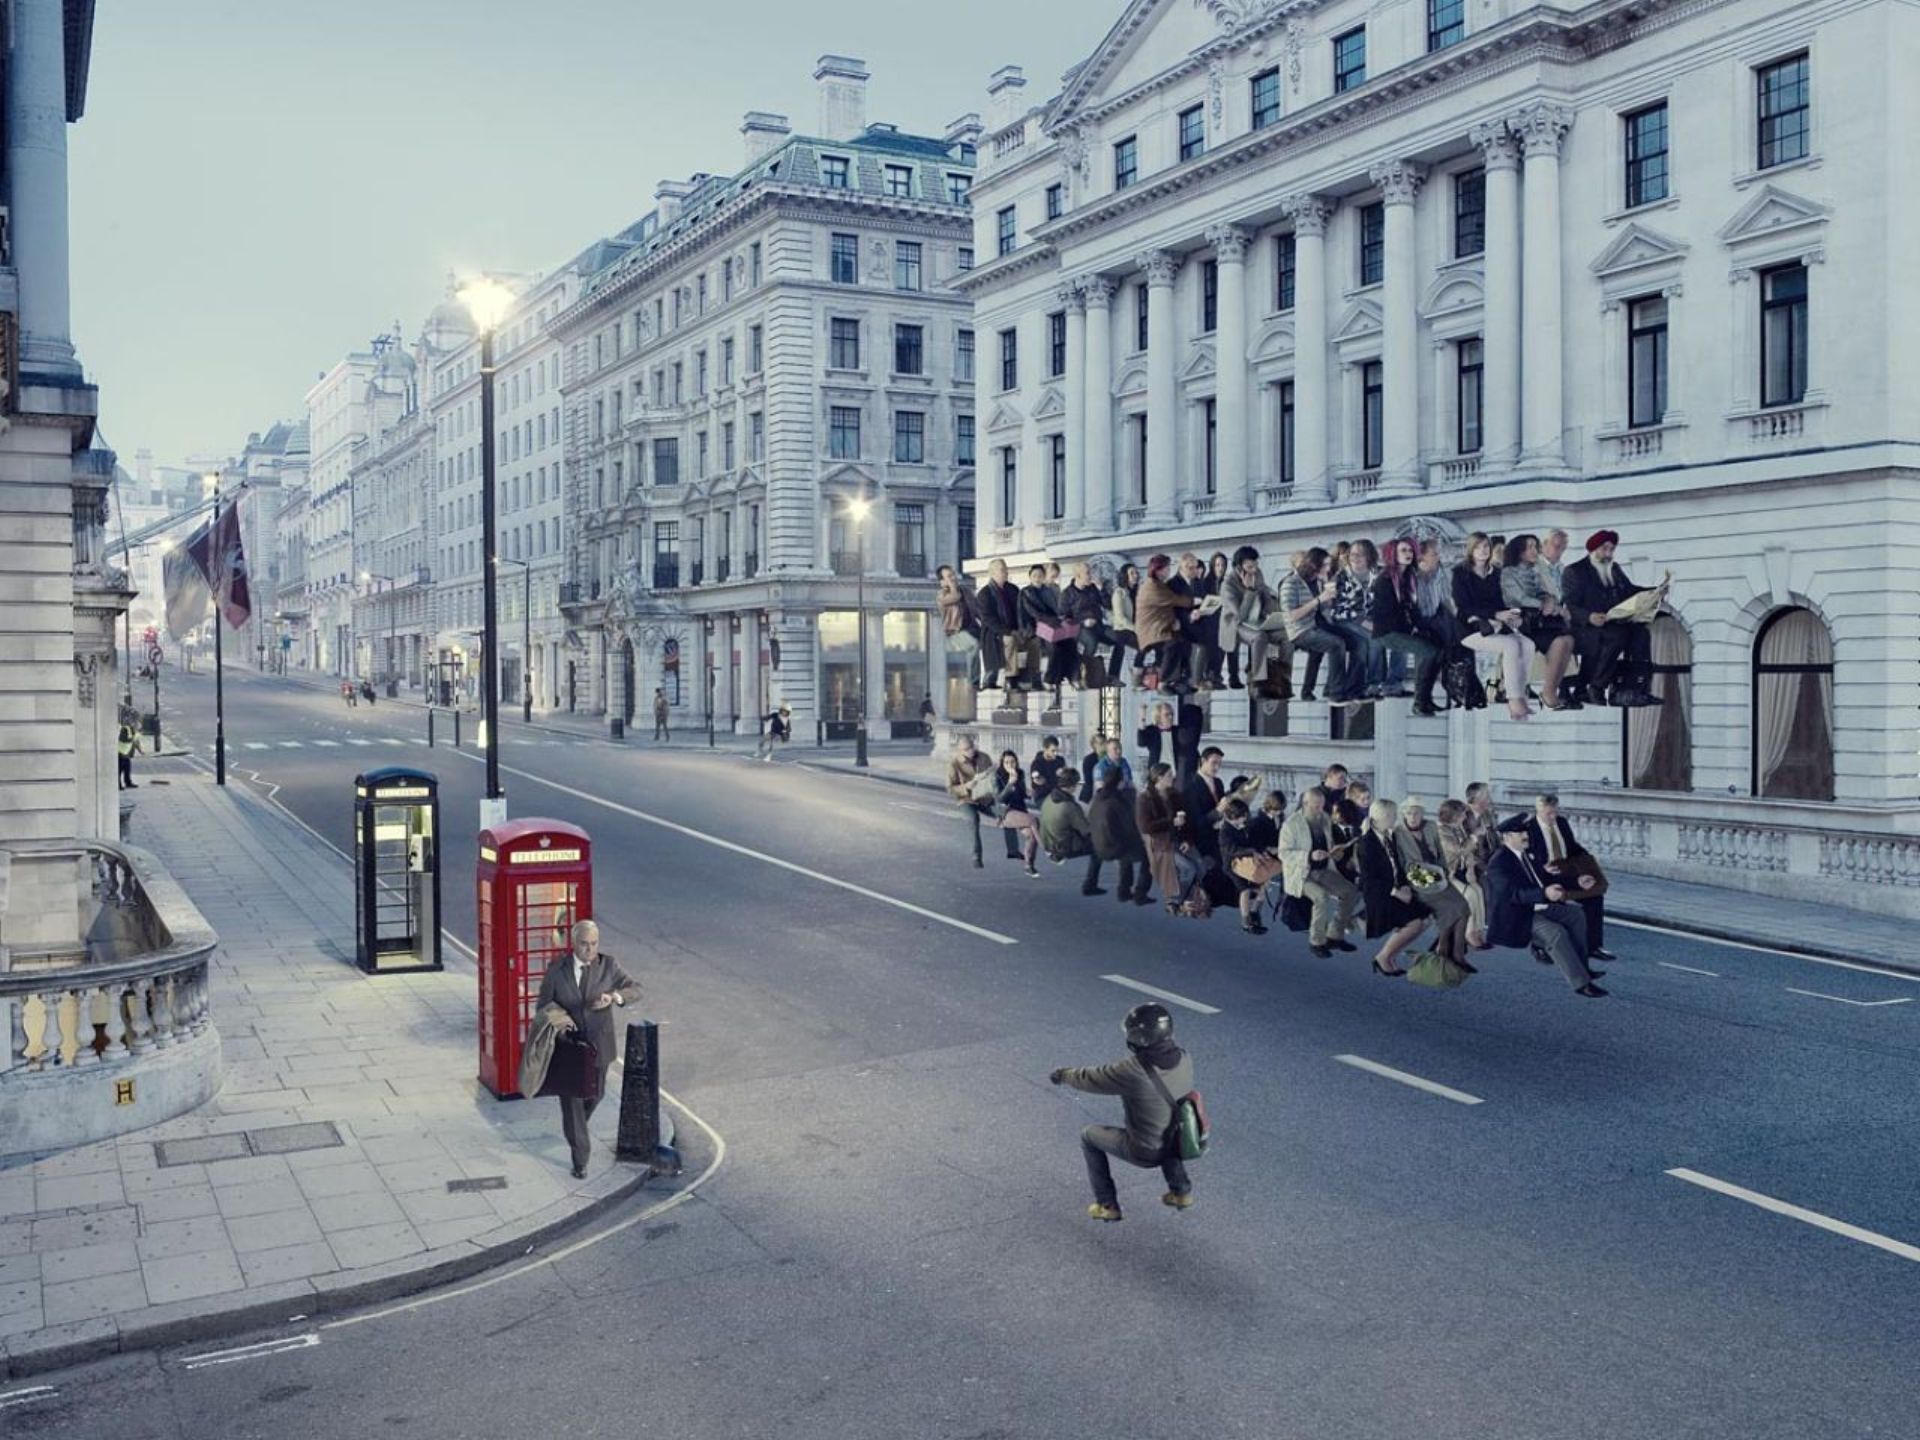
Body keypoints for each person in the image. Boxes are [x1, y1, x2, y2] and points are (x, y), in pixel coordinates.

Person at [1050, 1002, 1195, 1222]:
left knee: (1088, 1136)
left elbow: (1091, 1078)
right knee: (1165, 1123)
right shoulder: (1184, 1057)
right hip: (1177, 1141)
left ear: (1138, 1038)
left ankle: (1107, 1205)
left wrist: (1063, 1074)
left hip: (1144, 1151)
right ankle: (1181, 1191)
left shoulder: (1134, 1070)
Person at [532, 920, 643, 1177]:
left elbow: (636, 988)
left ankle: (576, 1127)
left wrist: (614, 998)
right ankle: (580, 1159)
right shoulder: (557, 971)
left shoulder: (608, 965)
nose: (590, 950)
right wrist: (562, 1019)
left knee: (596, 1094)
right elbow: (543, 1006)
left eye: (594, 944)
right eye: (584, 944)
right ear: (574, 943)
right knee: (572, 1102)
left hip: (599, 1045)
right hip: (569, 1047)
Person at [1484, 816, 1608, 997]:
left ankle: (1582, 968)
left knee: (1576, 915)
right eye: (1520, 833)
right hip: (1520, 915)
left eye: (1525, 832)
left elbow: (1547, 878)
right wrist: (1544, 894)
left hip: (1540, 907)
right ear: (1507, 837)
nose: (1526, 835)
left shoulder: (1526, 856)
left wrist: (1577, 882)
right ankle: (1581, 984)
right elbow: (1513, 895)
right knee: (1556, 933)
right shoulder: (1499, 863)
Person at [1562, 529, 1668, 707]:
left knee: (1641, 634)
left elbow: (1630, 591)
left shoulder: (1615, 569)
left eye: (1611, 550)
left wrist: (1654, 592)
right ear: (1593, 549)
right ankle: (1596, 687)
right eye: (1604, 549)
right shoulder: (1574, 571)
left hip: (1612, 623)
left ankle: (1635, 688)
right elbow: (1569, 606)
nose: (1608, 554)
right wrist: (1590, 617)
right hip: (1585, 629)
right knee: (1617, 635)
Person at [1452, 531, 1535, 721]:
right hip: (1470, 628)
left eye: (1486, 546)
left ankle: (1519, 694)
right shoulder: (1460, 573)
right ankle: (1513, 700)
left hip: (1498, 625)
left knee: (1528, 645)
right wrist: (1494, 614)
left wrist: (1513, 615)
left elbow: (1503, 601)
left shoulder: (1497, 573)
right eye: (1479, 546)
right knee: (1511, 646)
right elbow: (1464, 606)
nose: (1483, 550)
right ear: (1471, 550)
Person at [1525, 792, 1615, 961]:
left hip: (1566, 870)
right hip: (1544, 876)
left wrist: (1587, 868)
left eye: (1555, 812)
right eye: (1548, 813)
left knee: (1594, 897)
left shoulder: (1562, 823)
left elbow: (1572, 848)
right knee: (1547, 907)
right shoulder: (1529, 829)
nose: (1553, 817)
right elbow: (1523, 857)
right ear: (1538, 810)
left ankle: (1593, 946)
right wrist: (1541, 867)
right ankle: (1539, 947)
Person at [1502, 534, 1580, 711]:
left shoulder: (1536, 570)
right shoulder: (1509, 572)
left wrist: (1550, 601)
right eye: (1529, 547)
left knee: (1568, 640)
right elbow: (1519, 598)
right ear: (1519, 551)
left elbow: (1549, 593)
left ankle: (1550, 690)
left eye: (1535, 547)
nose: (1534, 551)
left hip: (1541, 620)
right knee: (1560, 642)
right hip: (1522, 622)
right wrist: (1544, 604)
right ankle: (1549, 693)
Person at [1397, 798, 1475, 971]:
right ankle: (1443, 950)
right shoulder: (1398, 833)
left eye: (1417, 812)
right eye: (1409, 812)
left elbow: (1440, 853)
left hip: (1438, 876)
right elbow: (1399, 863)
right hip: (1418, 879)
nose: (1413, 817)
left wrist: (1445, 874)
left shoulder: (1431, 827)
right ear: (1403, 814)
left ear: (1422, 814)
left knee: (1463, 908)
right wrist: (1405, 885)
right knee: (1449, 909)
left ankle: (1457, 955)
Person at [1280, 786, 1358, 958]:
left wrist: (1335, 853)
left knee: (1350, 891)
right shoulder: (1291, 824)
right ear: (1305, 803)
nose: (1320, 809)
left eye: (1322, 805)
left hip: (1323, 870)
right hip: (1302, 874)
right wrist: (1308, 856)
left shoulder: (1324, 818)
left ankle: (1335, 936)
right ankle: (1316, 942)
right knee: (1320, 897)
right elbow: (1283, 853)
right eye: (1316, 806)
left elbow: (1328, 844)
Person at [1278, 547, 1364, 704]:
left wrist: (1328, 594)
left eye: (1328, 565)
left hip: (1318, 624)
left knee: (1358, 641)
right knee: (1336, 644)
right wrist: (1318, 599)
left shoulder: (1318, 581)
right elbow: (1291, 616)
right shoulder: (1290, 583)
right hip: (1300, 630)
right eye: (1325, 565)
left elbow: (1325, 608)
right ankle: (1336, 693)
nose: (1328, 568)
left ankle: (1352, 689)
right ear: (1313, 566)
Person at [1355, 799, 1429, 977]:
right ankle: (1383, 957)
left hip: (1395, 889)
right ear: (1384, 816)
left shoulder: (1389, 836)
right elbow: (1370, 879)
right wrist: (1396, 892)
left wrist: (1406, 886)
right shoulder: (1367, 843)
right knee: (1415, 923)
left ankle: (1390, 953)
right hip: (1379, 894)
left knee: (1426, 918)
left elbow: (1397, 868)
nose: (1397, 817)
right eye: (1394, 814)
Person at [1375, 538, 1443, 715]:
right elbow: (1389, 612)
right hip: (1388, 632)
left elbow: (1413, 609)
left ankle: (1425, 699)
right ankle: (1420, 702)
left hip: (1403, 629)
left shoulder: (1408, 578)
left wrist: (1423, 627)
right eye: (1403, 551)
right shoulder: (1385, 579)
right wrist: (1412, 628)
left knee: (1437, 649)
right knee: (1428, 652)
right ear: (1393, 554)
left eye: (1410, 551)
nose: (1408, 554)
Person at [1220, 546, 1291, 697]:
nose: (1253, 570)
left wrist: (1278, 613)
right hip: (1236, 625)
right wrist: (1249, 591)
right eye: (1249, 566)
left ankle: (1284, 677)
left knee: (1287, 636)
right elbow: (1240, 615)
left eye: (1255, 565)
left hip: (1258, 620)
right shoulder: (1228, 585)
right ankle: (1258, 679)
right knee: (1259, 637)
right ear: (1239, 567)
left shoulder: (1257, 574)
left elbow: (1266, 595)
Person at [1133, 553, 1195, 691]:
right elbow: (1175, 600)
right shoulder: (1153, 587)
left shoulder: (1157, 584)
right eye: (1167, 567)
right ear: (1159, 570)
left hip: (1157, 626)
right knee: (1173, 644)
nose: (1169, 570)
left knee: (1181, 641)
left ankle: (1178, 678)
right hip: (1150, 630)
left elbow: (1165, 608)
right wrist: (1194, 601)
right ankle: (1163, 681)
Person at [1089, 767, 1151, 904]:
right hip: (1114, 847)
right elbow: (1130, 826)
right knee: (1147, 854)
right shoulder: (1118, 800)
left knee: (1125, 848)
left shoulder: (1098, 797)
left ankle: (1123, 890)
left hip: (1097, 844)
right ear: (1120, 781)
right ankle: (1140, 893)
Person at [1437, 798, 1489, 949]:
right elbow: (1460, 849)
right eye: (1462, 814)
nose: (1465, 817)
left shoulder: (1457, 828)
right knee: (1470, 895)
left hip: (1461, 871)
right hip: (1447, 874)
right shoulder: (1441, 831)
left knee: (1478, 891)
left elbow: (1468, 852)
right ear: (1453, 816)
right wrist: (1474, 836)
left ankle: (1478, 930)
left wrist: (1471, 870)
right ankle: (1469, 933)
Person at [946, 734, 1000, 869]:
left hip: (984, 797)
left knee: (1005, 814)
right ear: (959, 750)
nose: (970, 751)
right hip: (967, 800)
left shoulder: (984, 757)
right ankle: (977, 856)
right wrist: (966, 787)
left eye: (971, 747)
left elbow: (992, 777)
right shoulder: (954, 764)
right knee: (973, 821)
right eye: (965, 749)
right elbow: (950, 789)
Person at [1020, 562, 1074, 693]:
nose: (1038, 578)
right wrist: (1053, 619)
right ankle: (1049, 679)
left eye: (1040, 575)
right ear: (1030, 577)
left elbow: (1055, 609)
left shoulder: (1047, 591)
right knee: (1054, 646)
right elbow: (1034, 613)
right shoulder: (1026, 592)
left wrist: (1062, 618)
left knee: (1068, 643)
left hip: (1049, 625)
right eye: (1035, 575)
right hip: (1034, 628)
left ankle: (1060, 677)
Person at [1218, 799, 1269, 934]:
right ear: (1233, 817)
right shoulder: (1225, 832)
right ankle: (1246, 921)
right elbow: (1231, 850)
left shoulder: (1243, 826)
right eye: (1241, 817)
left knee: (1261, 888)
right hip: (1233, 865)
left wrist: (1258, 850)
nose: (1244, 820)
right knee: (1245, 890)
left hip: (1248, 863)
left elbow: (1252, 841)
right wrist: (1250, 851)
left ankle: (1254, 913)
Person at [973, 558, 1024, 691]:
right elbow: (988, 619)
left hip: (1015, 629)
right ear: (992, 573)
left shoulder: (1013, 590)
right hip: (994, 634)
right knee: (1010, 640)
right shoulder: (984, 594)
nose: (1006, 572)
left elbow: (1020, 611)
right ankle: (1011, 679)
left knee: (1033, 642)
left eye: (1006, 569)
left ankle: (1033, 678)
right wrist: (1009, 631)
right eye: (1002, 570)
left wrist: (1023, 629)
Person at [1137, 763, 1182, 906]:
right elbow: (1146, 826)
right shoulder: (1145, 798)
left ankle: (1142, 893)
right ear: (1159, 778)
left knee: (1152, 866)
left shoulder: (1172, 794)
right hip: (1153, 838)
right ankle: (1170, 898)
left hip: (1169, 836)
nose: (1172, 778)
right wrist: (1171, 822)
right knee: (1152, 864)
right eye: (1169, 775)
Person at [993, 749, 1041, 877]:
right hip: (1006, 812)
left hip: (1020, 811)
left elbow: (1022, 794)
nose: (1010, 765)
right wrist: (1009, 784)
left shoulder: (1020, 773)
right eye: (1006, 762)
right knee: (1033, 820)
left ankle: (1029, 866)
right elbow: (999, 799)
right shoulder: (997, 776)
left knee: (1031, 835)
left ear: (1016, 762)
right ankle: (1048, 850)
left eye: (1012, 762)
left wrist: (1030, 793)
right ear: (1002, 764)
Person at [1039, 771, 1095, 869]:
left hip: (1048, 843)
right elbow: (1086, 831)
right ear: (1072, 786)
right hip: (1063, 848)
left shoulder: (1049, 798)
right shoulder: (1069, 806)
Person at [1107, 563, 1142, 678]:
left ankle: (1139, 669)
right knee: (1125, 642)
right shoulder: (1119, 593)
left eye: (1136, 573)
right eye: (1132, 573)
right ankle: (1134, 672)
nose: (1135, 575)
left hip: (1136, 626)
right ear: (1125, 576)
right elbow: (1120, 618)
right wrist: (1135, 628)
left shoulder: (1138, 592)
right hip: (1123, 628)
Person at [1247, 789, 1288, 853]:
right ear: (1269, 807)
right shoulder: (1257, 821)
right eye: (1276, 810)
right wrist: (1268, 849)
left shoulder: (1280, 816)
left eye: (1281, 810)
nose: (1279, 813)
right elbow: (1255, 843)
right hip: (1265, 854)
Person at [116, 710, 141, 790]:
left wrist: (140, 750)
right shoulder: (125, 729)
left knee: (127, 769)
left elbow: (137, 742)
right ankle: (118, 785)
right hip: (120, 752)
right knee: (119, 770)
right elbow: (123, 739)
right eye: (136, 725)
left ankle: (128, 782)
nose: (137, 727)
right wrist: (132, 738)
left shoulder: (136, 732)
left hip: (126, 753)